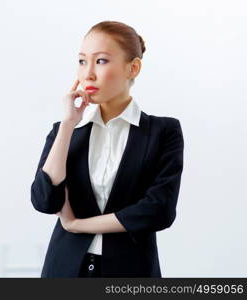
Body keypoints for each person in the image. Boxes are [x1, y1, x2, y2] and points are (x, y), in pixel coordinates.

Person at [30, 20, 184, 278]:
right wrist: (68, 124)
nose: (88, 74)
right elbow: (45, 200)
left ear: (133, 68)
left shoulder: (162, 132)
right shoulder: (64, 131)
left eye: (100, 61)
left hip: (131, 272)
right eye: (82, 61)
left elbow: (159, 210)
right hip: (65, 270)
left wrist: (79, 225)